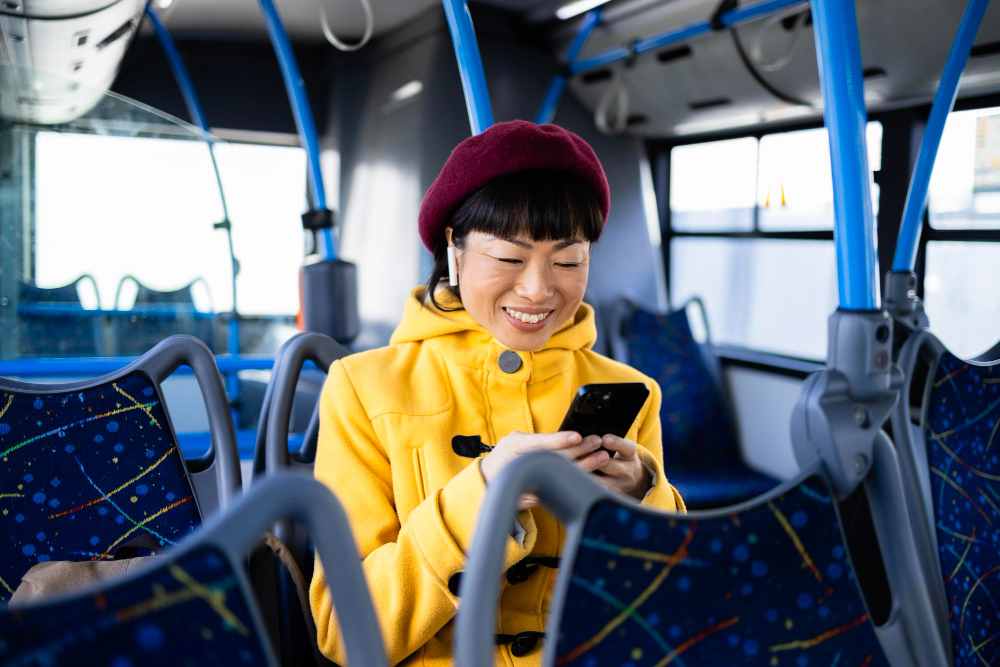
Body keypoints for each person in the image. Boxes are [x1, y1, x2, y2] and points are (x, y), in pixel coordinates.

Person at [309, 120, 685, 666]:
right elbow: (346, 634)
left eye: (568, 260)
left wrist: (640, 500)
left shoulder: (630, 391)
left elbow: (669, 611)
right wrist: (483, 499)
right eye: (509, 258)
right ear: (454, 251)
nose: (538, 288)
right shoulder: (364, 388)